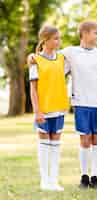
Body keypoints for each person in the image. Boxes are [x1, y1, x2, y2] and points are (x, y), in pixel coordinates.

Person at [28, 20, 97, 189]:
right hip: (78, 104)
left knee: (95, 139)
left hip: (95, 104)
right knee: (84, 139)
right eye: (95, 33)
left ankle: (91, 177)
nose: (59, 42)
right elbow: (44, 64)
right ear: (85, 34)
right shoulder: (69, 53)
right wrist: (32, 57)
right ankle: (78, 178)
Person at [29, 25, 69, 191]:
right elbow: (33, 88)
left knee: (55, 145)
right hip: (43, 109)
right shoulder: (34, 60)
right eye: (55, 38)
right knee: (44, 143)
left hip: (59, 107)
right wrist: (37, 110)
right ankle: (44, 181)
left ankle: (54, 180)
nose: (58, 41)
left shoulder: (61, 58)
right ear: (45, 40)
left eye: (59, 38)